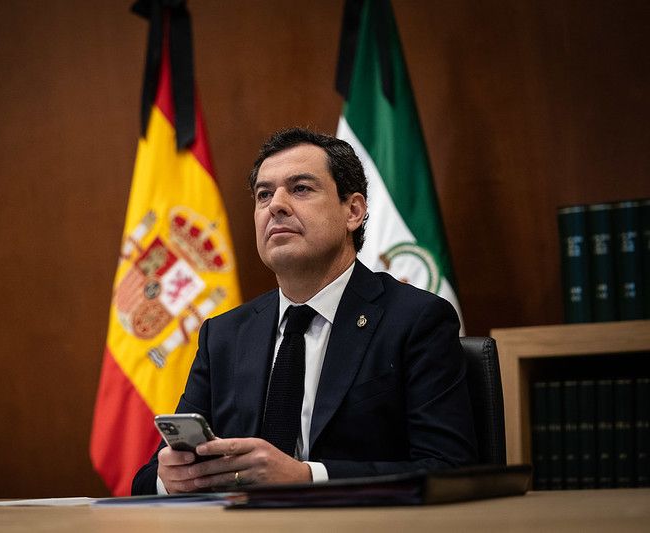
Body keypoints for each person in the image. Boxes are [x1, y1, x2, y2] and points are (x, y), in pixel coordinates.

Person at [132, 128, 477, 495]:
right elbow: (146, 478)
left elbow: (449, 469)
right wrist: (168, 478)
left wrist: (307, 477)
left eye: (300, 188)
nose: (275, 205)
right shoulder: (224, 336)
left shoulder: (416, 320)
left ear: (353, 211)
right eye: (264, 194)